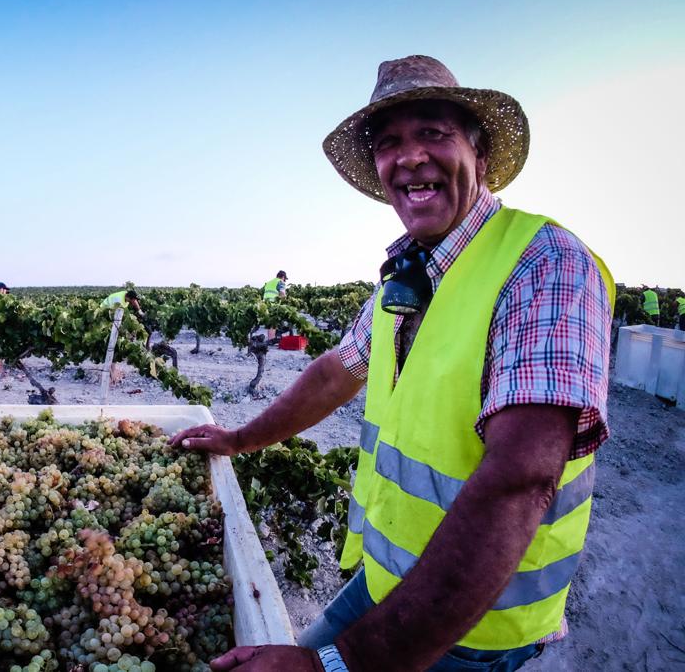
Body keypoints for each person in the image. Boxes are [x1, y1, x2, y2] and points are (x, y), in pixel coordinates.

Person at [172, 56, 614, 672]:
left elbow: (521, 481)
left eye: (433, 133)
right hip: (387, 582)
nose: (408, 157)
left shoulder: (544, 264)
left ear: (480, 155)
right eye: (388, 144)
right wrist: (240, 438)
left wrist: (342, 664)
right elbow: (339, 370)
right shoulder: (404, 279)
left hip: (469, 624)